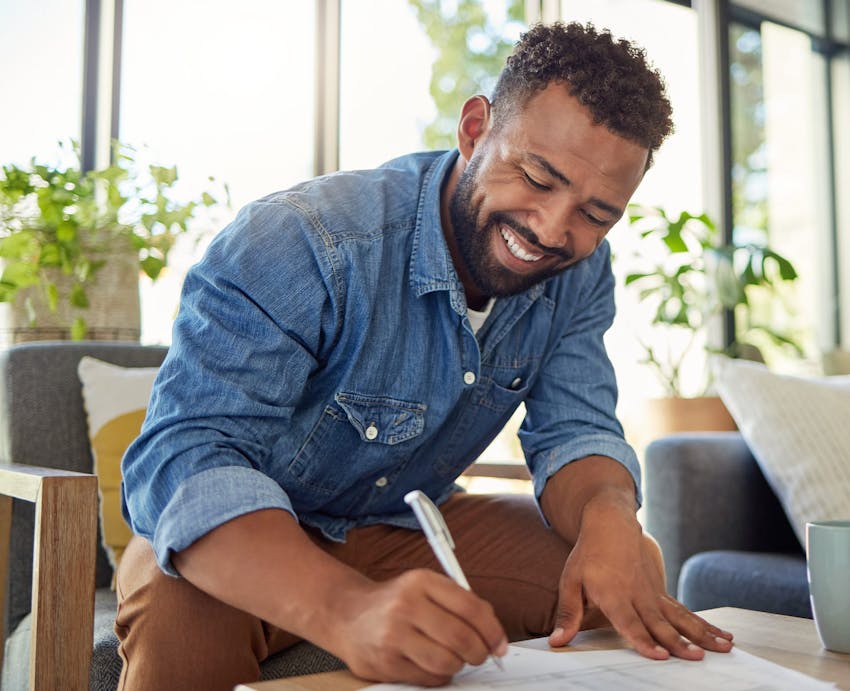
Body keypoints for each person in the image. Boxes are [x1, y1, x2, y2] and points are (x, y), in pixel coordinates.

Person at [116, 20, 734, 690]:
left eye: (596, 213)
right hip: (252, 535)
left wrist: (611, 512)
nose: (553, 230)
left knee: (610, 574)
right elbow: (185, 462)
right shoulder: (305, 239)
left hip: (405, 528)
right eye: (536, 176)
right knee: (179, 601)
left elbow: (576, 428)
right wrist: (347, 608)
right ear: (474, 130)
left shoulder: (581, 273)